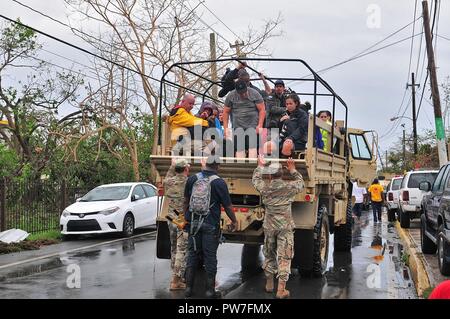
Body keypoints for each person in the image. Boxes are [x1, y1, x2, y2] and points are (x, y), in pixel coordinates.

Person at [183, 155, 238, 298]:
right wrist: (234, 221)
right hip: (210, 225)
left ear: (205, 164)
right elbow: (227, 206)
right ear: (218, 166)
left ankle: (188, 289)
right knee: (210, 257)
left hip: (193, 224)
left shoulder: (192, 179)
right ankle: (209, 291)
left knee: (192, 255)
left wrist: (187, 219)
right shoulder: (219, 183)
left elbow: (185, 201)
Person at [252, 156, 305, 299]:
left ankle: (269, 284)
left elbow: (255, 180)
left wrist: (260, 166)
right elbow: (301, 183)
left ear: (269, 175)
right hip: (285, 227)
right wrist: (293, 170)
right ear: (282, 174)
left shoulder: (265, 187)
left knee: (269, 254)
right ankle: (281, 289)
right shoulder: (289, 187)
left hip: (269, 226)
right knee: (284, 257)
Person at [164, 158, 190, 290]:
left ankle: (175, 274)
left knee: (174, 247)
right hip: (181, 218)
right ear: (186, 169)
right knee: (182, 249)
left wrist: (171, 166)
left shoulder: (169, 181)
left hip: (171, 216)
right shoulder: (188, 182)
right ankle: (176, 280)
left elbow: (167, 177)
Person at [222, 79, 266, 158]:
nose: (243, 94)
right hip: (238, 127)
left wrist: (260, 125)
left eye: (244, 92)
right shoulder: (231, 96)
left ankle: (251, 166)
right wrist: (226, 128)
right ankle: (240, 167)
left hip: (252, 126)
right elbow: (225, 112)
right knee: (239, 149)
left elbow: (262, 109)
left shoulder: (255, 93)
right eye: (240, 93)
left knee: (252, 148)